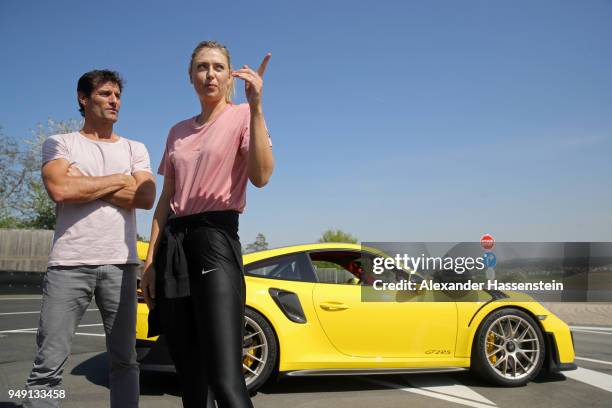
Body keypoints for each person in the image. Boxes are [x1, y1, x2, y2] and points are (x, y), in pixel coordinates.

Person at [140, 40, 274, 408]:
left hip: (215, 239)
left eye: (217, 66)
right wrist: (151, 261)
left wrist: (258, 107)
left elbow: (261, 176)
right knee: (190, 378)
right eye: (201, 67)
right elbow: (166, 200)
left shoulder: (243, 116)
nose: (209, 74)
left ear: (229, 74)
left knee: (226, 378)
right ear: (191, 76)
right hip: (174, 246)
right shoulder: (177, 131)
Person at [23, 70, 156, 408]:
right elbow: (60, 188)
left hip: (121, 266)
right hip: (69, 265)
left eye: (117, 95)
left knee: (125, 361)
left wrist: (89, 183)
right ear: (84, 98)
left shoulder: (134, 148)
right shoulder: (60, 143)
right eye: (105, 94)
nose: (114, 101)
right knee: (47, 365)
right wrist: (119, 181)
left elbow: (145, 197)